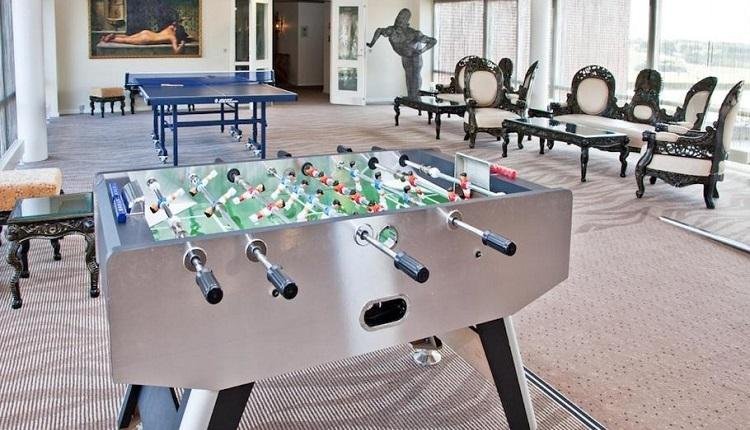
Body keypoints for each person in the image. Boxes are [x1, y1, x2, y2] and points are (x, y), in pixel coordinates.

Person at [366, 9, 437, 99]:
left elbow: (433, 41)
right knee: (408, 75)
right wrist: (371, 43)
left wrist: (422, 51)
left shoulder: (414, 34)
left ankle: (415, 98)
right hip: (405, 56)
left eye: (402, 18)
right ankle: (411, 97)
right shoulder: (391, 30)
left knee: (415, 76)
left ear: (406, 21)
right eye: (398, 17)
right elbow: (379, 30)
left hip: (415, 56)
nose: (399, 19)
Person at [100, 21, 190, 54]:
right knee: (126, 40)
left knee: (128, 37)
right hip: (147, 39)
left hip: (147, 32)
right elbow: (176, 51)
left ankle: (113, 36)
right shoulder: (172, 37)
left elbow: (175, 23)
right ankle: (109, 40)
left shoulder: (170, 28)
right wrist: (182, 44)